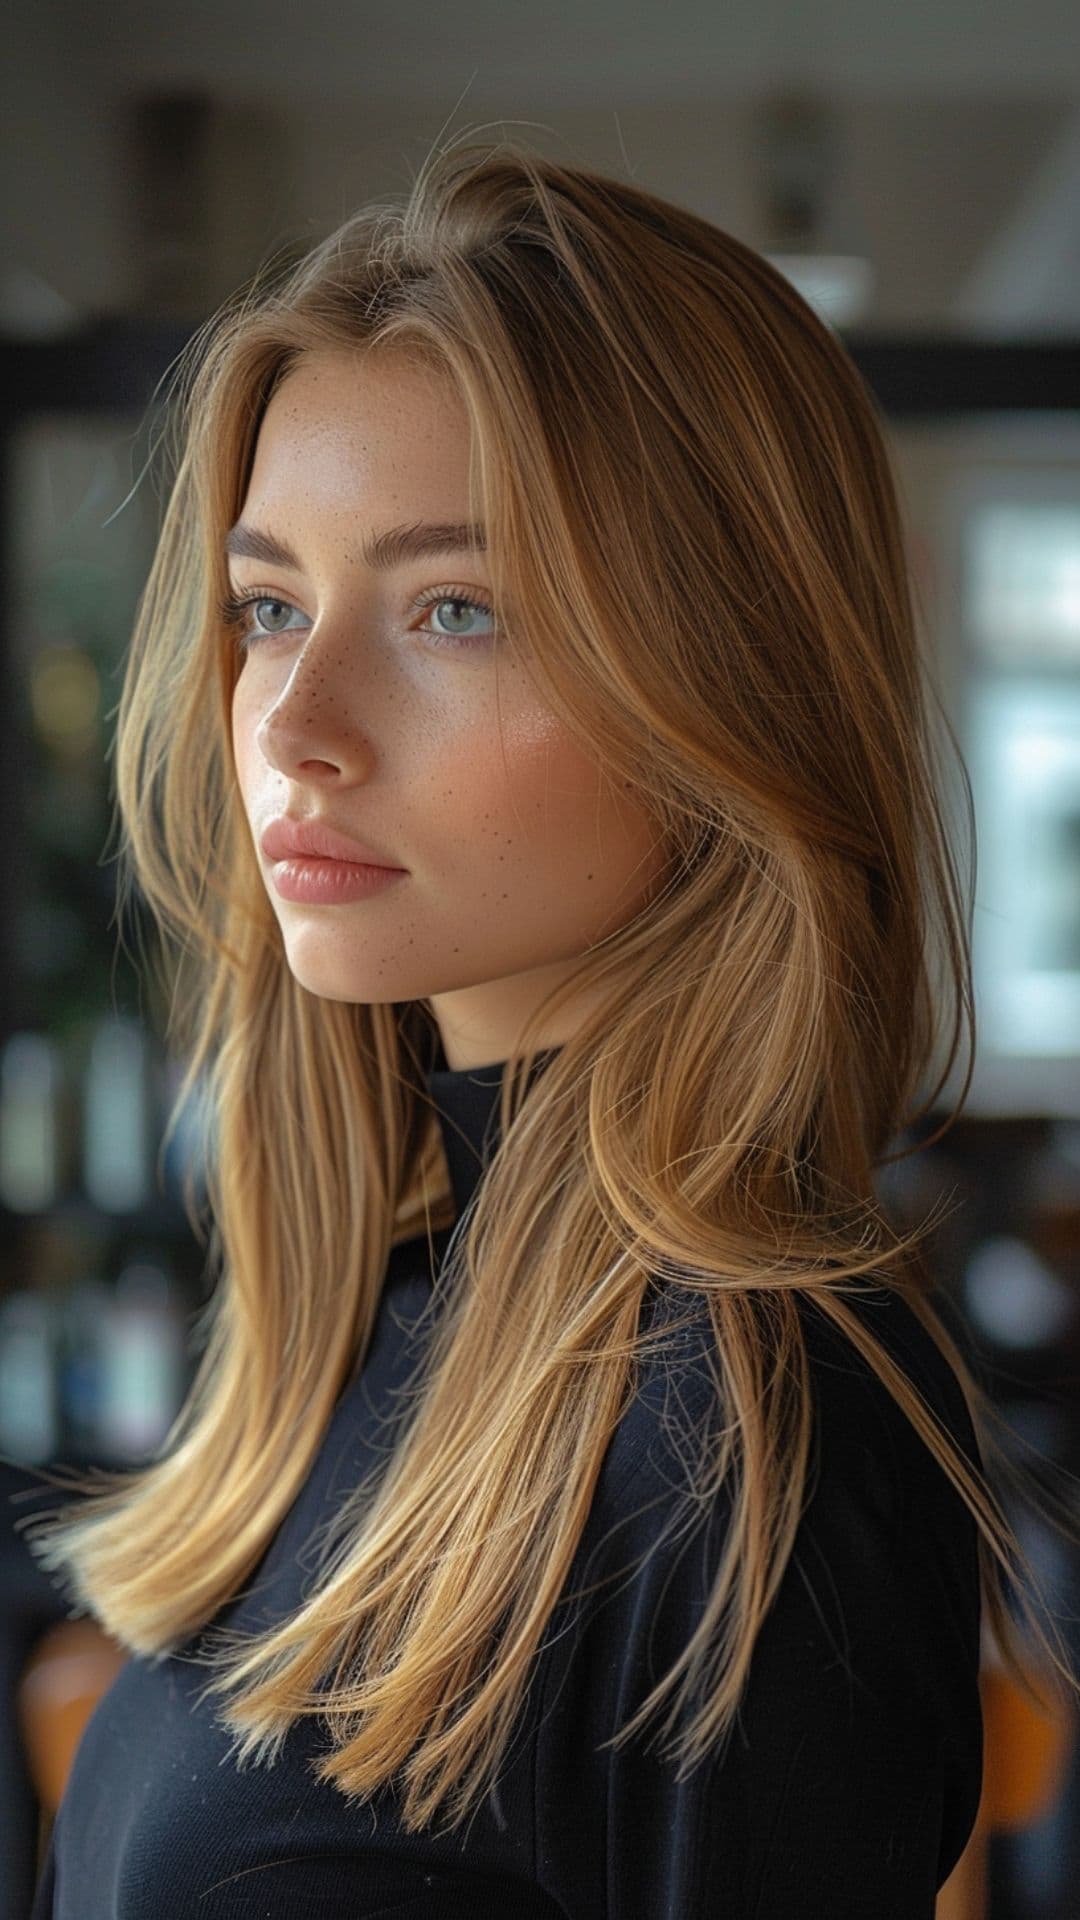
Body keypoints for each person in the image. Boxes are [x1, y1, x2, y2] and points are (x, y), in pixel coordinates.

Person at [19, 134, 1079, 1917]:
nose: (295, 724)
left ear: (726, 687)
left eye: (454, 609)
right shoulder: (391, 1314)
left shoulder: (743, 1434)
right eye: (269, 606)